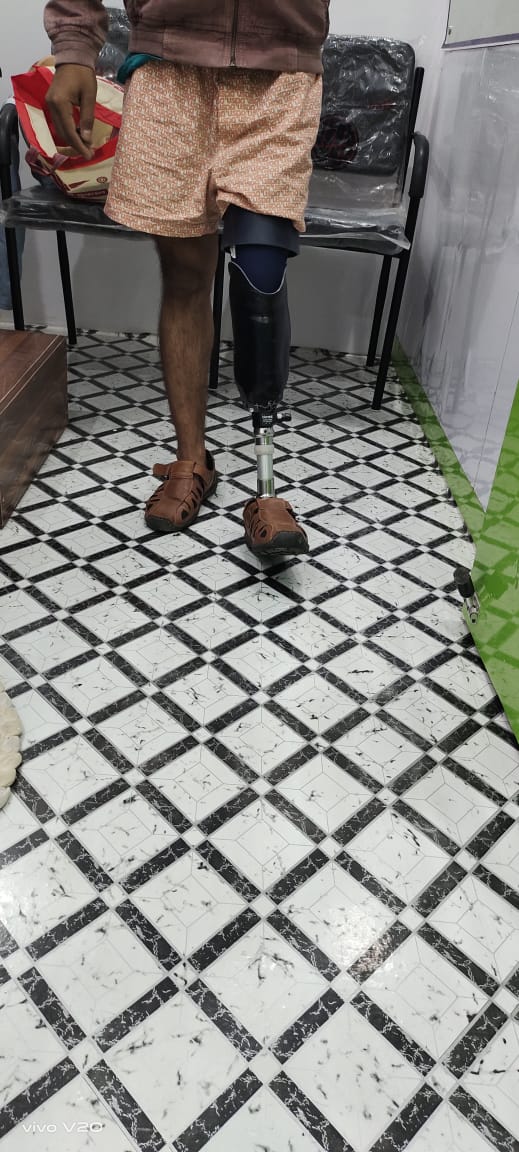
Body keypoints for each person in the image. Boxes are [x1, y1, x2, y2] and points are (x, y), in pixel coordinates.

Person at [43, 0, 329, 558]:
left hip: (280, 71)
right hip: (167, 67)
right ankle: (192, 458)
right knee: (185, 275)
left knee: (261, 267)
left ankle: (267, 485)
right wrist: (75, 45)